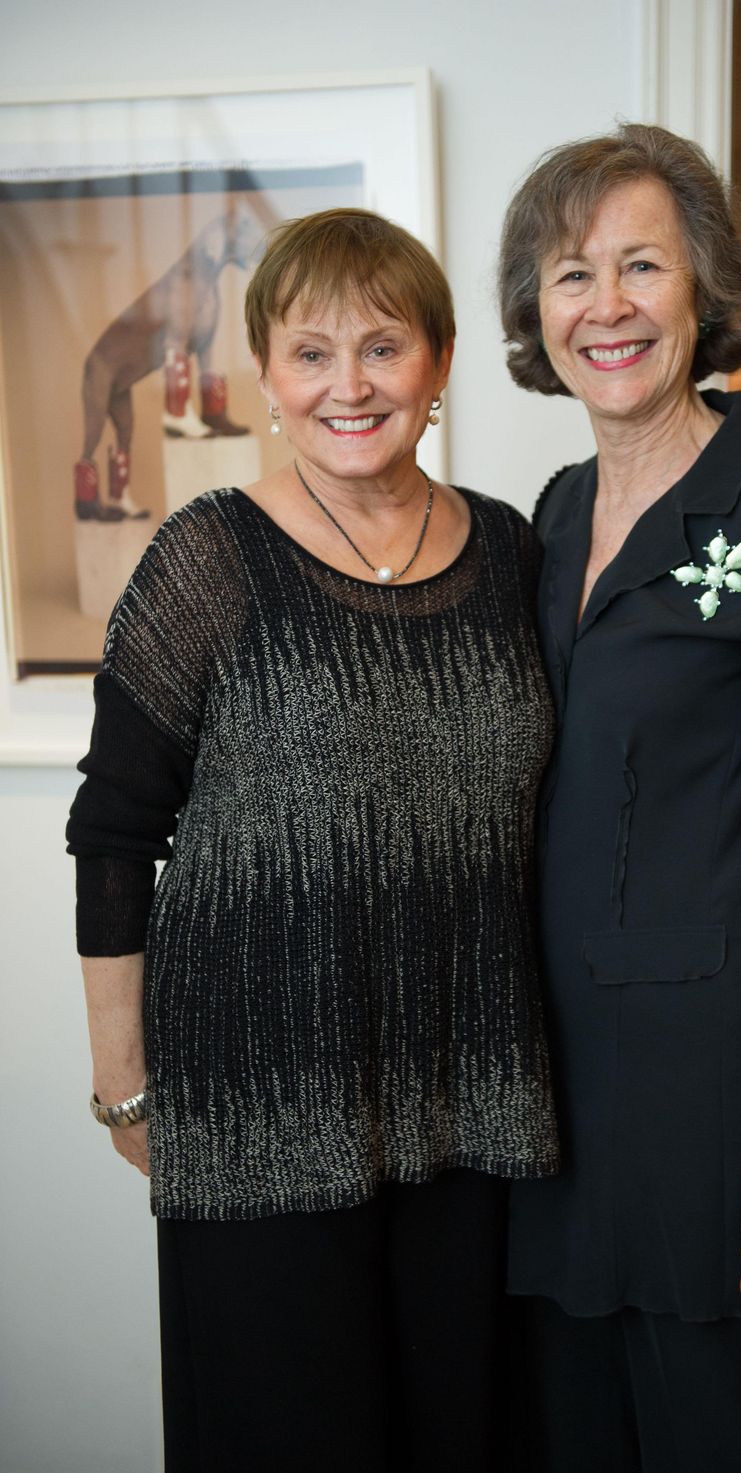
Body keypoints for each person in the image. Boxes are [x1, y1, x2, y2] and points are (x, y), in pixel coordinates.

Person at [66, 207, 559, 1473]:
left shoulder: (512, 553)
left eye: (384, 347)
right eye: (312, 352)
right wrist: (125, 1089)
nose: (351, 385)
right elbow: (115, 830)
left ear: (439, 364)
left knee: (466, 1437)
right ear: (267, 379)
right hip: (259, 1101)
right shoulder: (206, 561)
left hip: (470, 1098)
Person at [498, 123, 741, 1472]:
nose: (605, 305)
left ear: (705, 290)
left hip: (716, 1108)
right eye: (569, 273)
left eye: (641, 266)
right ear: (534, 310)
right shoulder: (547, 519)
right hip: (546, 1109)